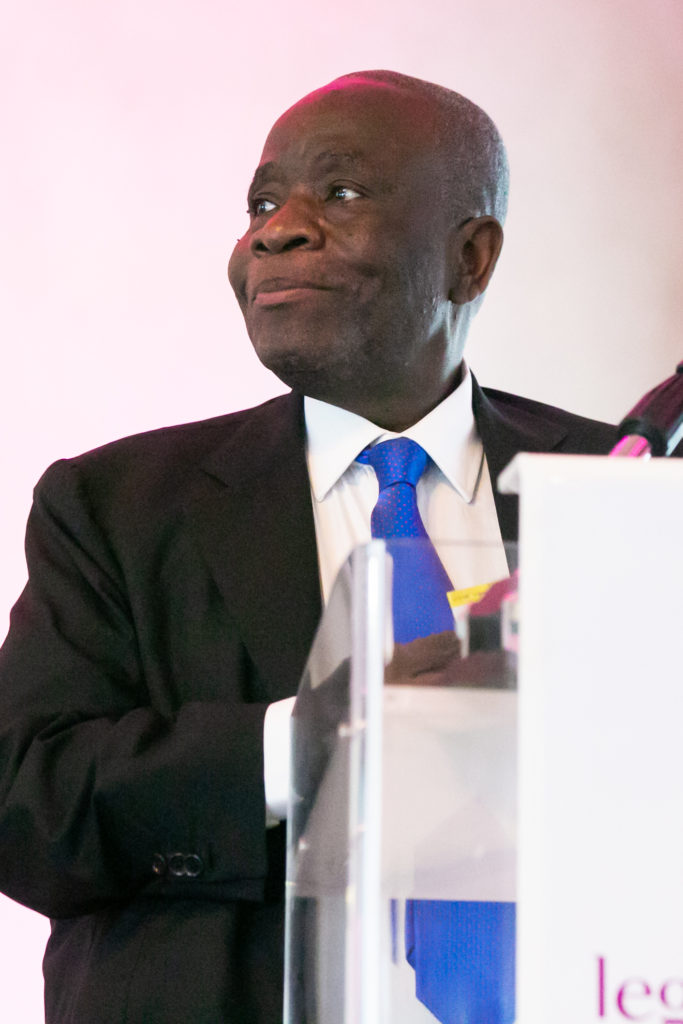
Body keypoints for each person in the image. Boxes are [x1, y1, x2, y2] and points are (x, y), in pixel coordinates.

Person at [0, 70, 615, 1023]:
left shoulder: (624, 486)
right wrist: (307, 743)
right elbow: (25, 810)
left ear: (470, 257)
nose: (275, 231)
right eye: (261, 203)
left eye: (341, 191)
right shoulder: (115, 506)